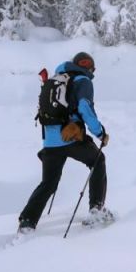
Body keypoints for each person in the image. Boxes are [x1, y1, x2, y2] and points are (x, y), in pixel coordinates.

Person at [17, 52, 112, 233]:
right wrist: (100, 132)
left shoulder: (57, 78)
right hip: (71, 136)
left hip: (50, 142)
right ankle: (96, 211)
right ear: (88, 66)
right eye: (93, 68)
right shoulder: (83, 81)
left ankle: (27, 222)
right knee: (98, 160)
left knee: (49, 183)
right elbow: (84, 107)